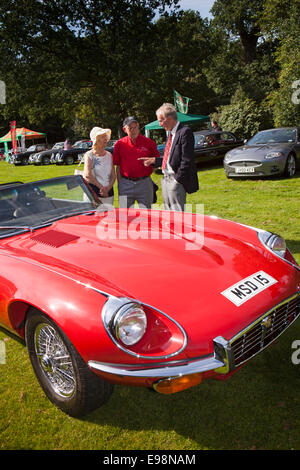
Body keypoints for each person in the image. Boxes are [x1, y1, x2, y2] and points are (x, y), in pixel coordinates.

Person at [140, 103, 199, 211]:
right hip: (166, 179)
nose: (160, 124)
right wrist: (154, 160)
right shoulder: (172, 133)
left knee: (177, 216)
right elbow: (171, 158)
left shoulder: (184, 132)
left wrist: (177, 180)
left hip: (175, 181)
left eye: (161, 120)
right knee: (169, 215)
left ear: (170, 118)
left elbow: (187, 160)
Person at [113, 116, 160, 209]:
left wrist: (149, 170)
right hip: (125, 184)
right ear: (125, 129)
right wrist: (120, 184)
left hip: (144, 184)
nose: (133, 130)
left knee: (147, 215)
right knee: (125, 215)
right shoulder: (119, 144)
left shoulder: (149, 142)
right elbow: (117, 166)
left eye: (136, 127)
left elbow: (156, 161)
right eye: (130, 128)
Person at [83, 127, 116, 207]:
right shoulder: (89, 155)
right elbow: (88, 176)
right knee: (94, 218)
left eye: (106, 136)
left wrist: (108, 188)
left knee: (108, 217)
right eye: (102, 137)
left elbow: (113, 175)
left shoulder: (109, 155)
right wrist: (102, 188)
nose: (105, 139)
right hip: (93, 194)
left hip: (109, 193)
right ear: (96, 140)